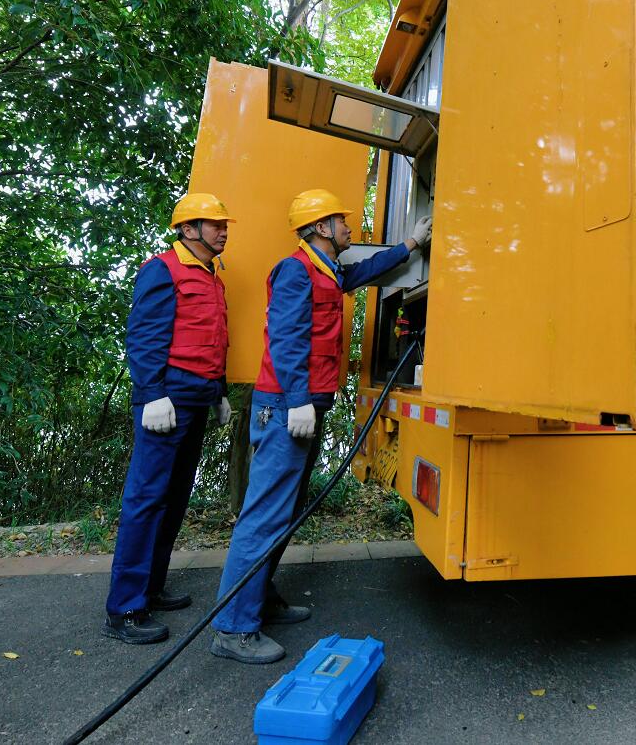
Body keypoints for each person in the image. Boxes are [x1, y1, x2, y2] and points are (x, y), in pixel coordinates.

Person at [209, 189, 431, 664]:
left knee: (284, 512)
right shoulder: (295, 270)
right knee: (264, 516)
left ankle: (259, 599)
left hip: (303, 406)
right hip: (286, 407)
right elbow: (285, 339)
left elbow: (364, 272)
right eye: (342, 222)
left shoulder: (328, 271)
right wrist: (297, 401)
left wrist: (411, 244)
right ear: (321, 228)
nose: (350, 228)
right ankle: (232, 628)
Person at [102, 193, 236, 645]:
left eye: (224, 224)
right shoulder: (163, 269)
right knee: (146, 500)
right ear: (187, 229)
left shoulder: (213, 276)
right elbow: (142, 337)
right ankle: (124, 608)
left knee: (174, 497)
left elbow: (212, 339)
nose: (223, 231)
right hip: (167, 401)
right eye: (214, 224)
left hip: (197, 399)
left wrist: (218, 392)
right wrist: (152, 394)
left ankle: (151, 588)